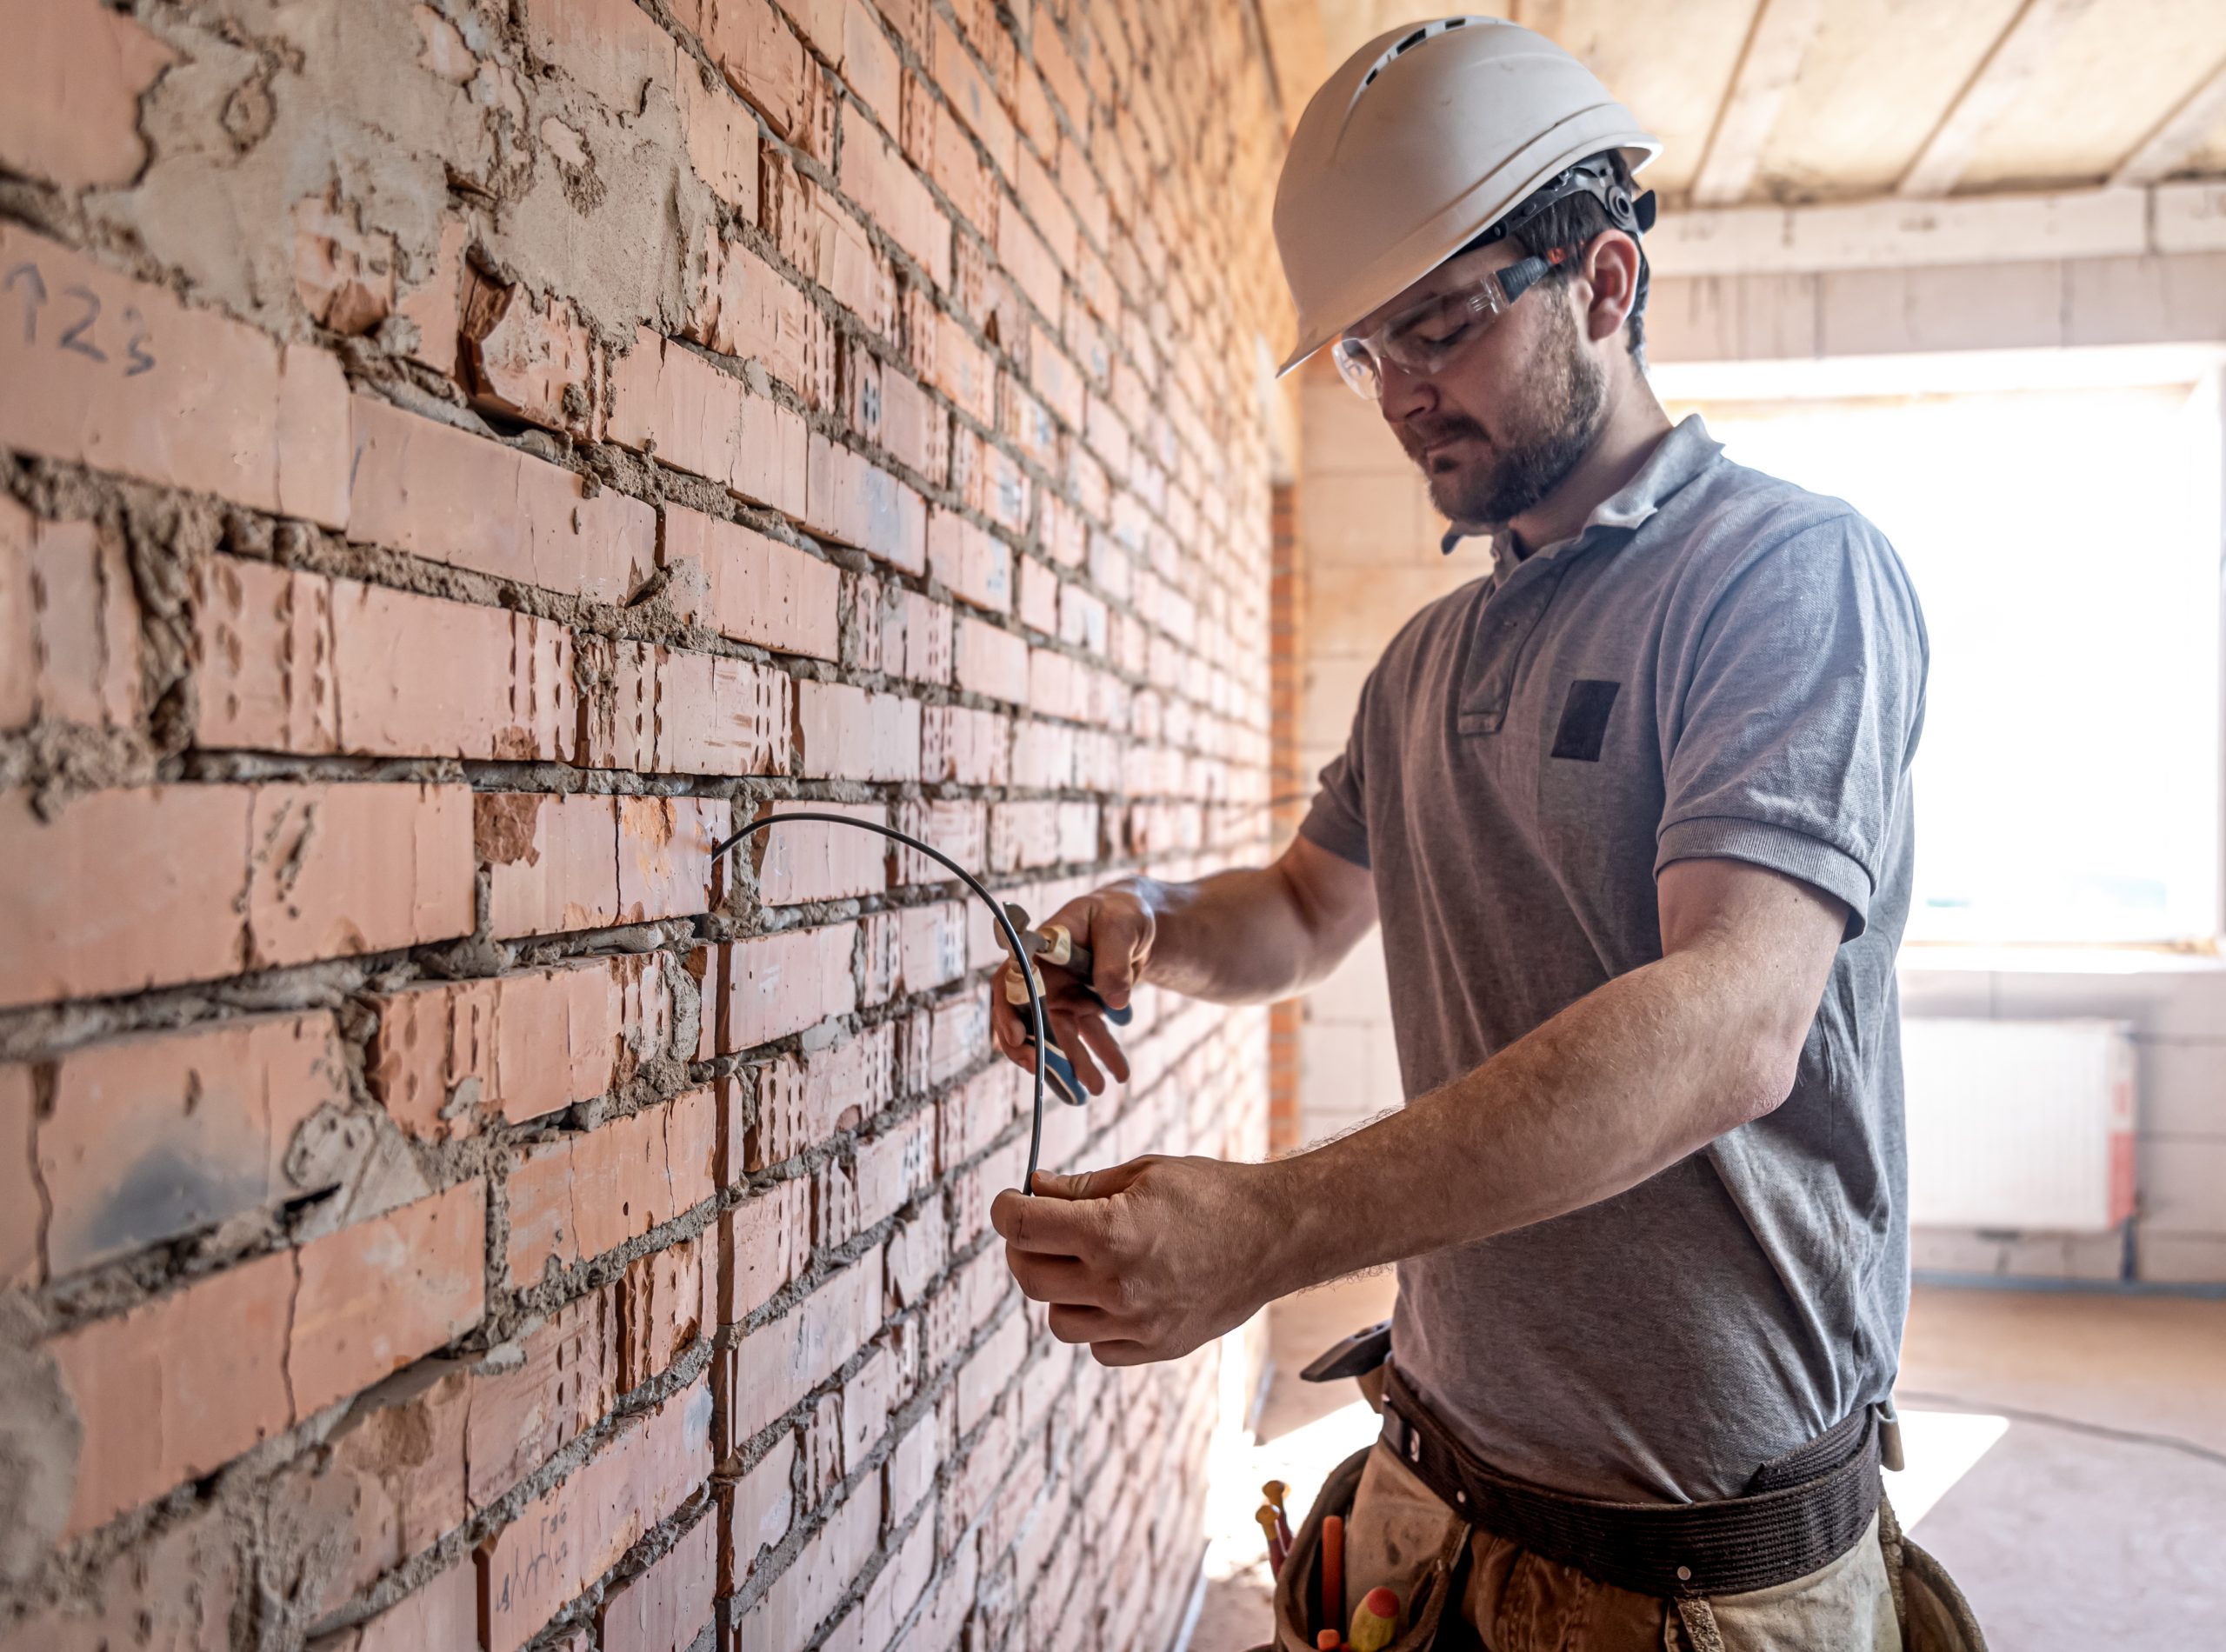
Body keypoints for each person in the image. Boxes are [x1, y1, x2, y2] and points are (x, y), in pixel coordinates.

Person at [989, 17, 1976, 1650]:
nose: (1397, 394)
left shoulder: (1784, 575)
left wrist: (1271, 1228)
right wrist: (1153, 921)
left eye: (1438, 324)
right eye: (1365, 350)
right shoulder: (1430, 660)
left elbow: (1736, 1019)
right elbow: (1307, 909)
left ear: (1601, 281)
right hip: (1429, 1491)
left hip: (1696, 1568)